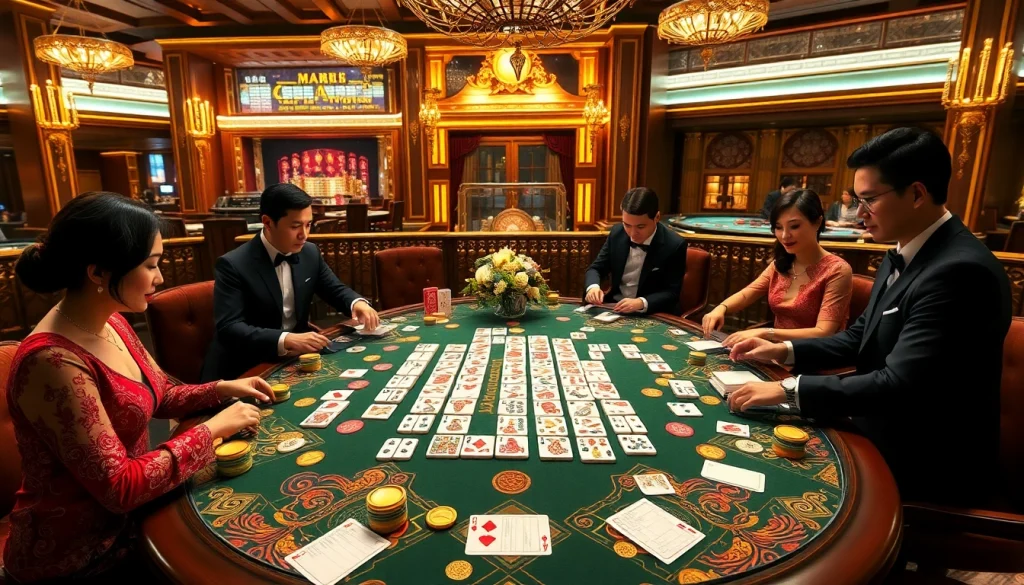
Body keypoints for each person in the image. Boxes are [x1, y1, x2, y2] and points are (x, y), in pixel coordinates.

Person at [727, 127, 1011, 506]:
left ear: (916, 194)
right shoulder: (905, 249)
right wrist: (783, 351)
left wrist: (788, 390)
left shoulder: (959, 272)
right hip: (877, 424)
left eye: (869, 200)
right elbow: (860, 337)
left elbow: (899, 385)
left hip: (922, 460)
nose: (858, 214)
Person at [4, 192, 269, 582]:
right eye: (150, 265)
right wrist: (213, 429)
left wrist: (225, 388)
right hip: (82, 556)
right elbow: (120, 487)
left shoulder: (111, 320)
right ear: (98, 273)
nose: (160, 278)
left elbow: (161, 395)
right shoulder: (53, 362)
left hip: (136, 521)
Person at [202, 183, 380, 382]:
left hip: (296, 360)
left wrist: (357, 303)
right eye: (295, 226)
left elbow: (334, 289)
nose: (304, 234)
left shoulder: (309, 252)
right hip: (246, 367)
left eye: (308, 224)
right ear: (268, 222)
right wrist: (286, 339)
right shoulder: (232, 265)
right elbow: (230, 328)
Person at [702, 189, 853, 345]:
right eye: (778, 227)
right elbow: (748, 294)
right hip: (774, 350)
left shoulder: (837, 270)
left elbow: (824, 333)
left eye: (794, 226)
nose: (784, 235)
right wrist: (721, 308)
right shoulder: (781, 263)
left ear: (817, 222)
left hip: (813, 358)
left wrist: (766, 333)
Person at [584, 187, 688, 315]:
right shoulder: (617, 233)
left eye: (640, 226)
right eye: (627, 225)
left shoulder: (675, 245)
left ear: (657, 217)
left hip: (652, 314)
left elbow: (672, 293)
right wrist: (593, 287)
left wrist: (641, 302)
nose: (632, 234)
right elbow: (596, 268)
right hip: (614, 307)